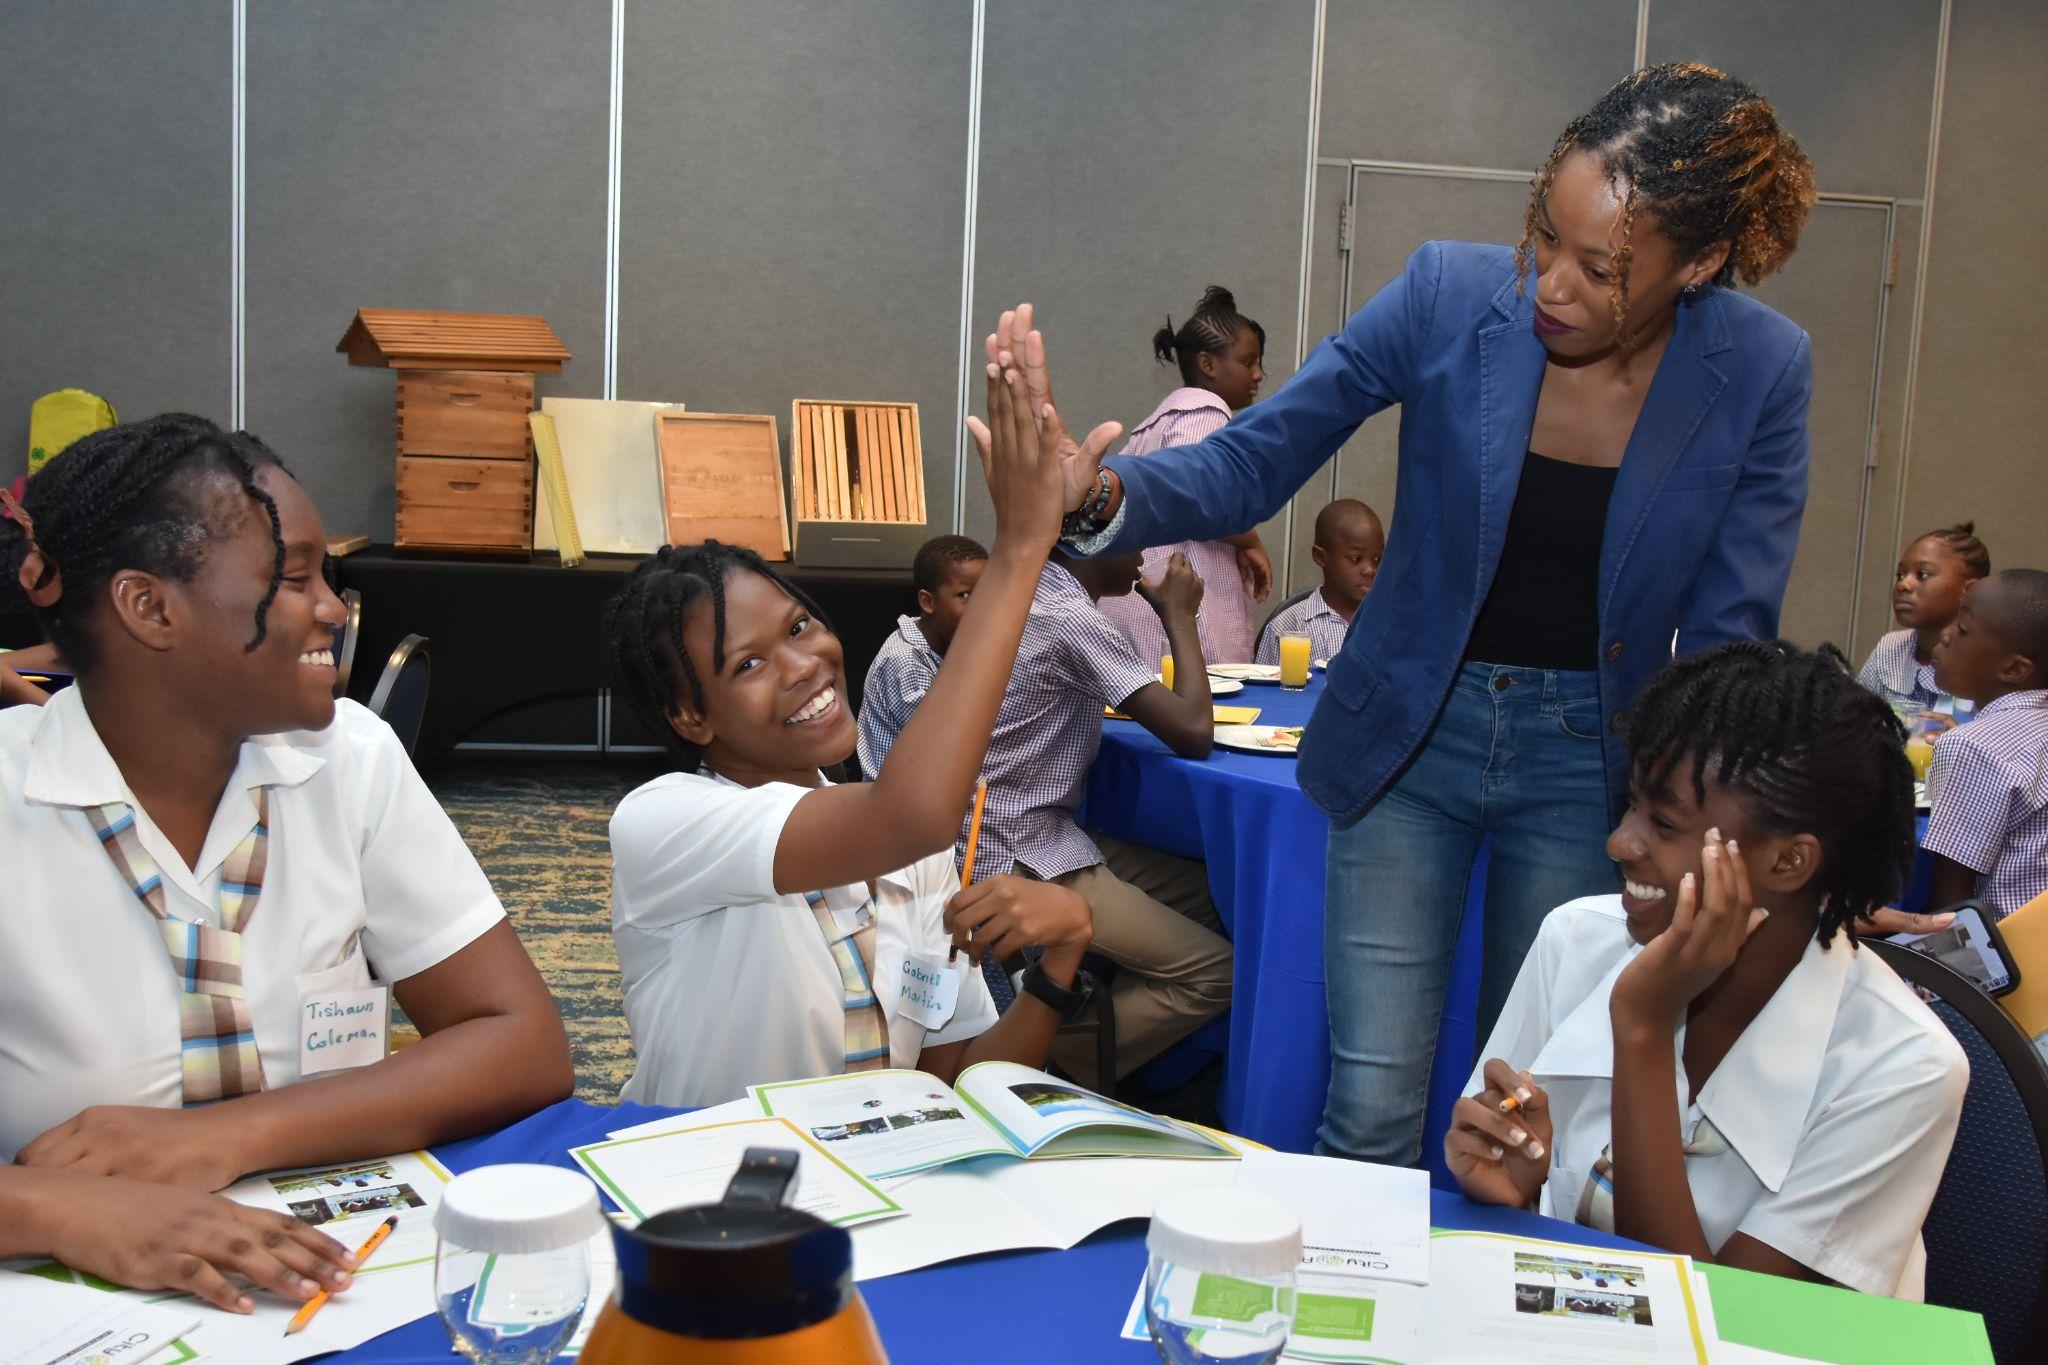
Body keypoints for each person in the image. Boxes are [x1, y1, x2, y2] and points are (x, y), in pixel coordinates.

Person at [998, 63, 1819, 1164]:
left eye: (1601, 268)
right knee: (1372, 1101)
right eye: (1544, 236)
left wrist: (1685, 824)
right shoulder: (1446, 295)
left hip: (1590, 756)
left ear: (1702, 262)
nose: (1552, 286)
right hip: (1406, 735)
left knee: (1520, 1112)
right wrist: (1101, 497)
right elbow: (1258, 456)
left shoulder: (1758, 369)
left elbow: (1729, 630)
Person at [0, 416, 572, 1312]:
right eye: (292, 576)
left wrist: (223, 1137)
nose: (334, 609)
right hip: (65, 1297)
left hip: (330, 1261)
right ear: (149, 608)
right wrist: (53, 1205)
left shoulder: (351, 758)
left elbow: (521, 1042)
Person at [604, 360, 1094, 1108]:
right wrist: (1024, 544)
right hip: (716, 1193)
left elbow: (959, 1079)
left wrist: (1059, 959)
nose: (805, 664)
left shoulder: (916, 860)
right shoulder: (664, 822)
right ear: (689, 715)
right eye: (749, 663)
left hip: (871, 1188)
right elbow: (909, 812)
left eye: (800, 625)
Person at [1448, 642, 1965, 1299]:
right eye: (1631, 805)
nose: (1620, 842)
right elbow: (1512, 1203)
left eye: (1664, 822)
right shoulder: (1577, 938)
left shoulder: (1903, 1064)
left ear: (1788, 863)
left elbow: (1717, 1327)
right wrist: (1507, 1198)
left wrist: (1644, 1030)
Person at [962, 544, 1233, 1080]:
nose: (1147, 551)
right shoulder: (1070, 617)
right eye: (1137, 534)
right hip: (1016, 850)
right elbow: (1194, 730)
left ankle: (1091, 1019)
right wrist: (1181, 617)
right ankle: (1044, 1068)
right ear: (1091, 543)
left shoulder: (1029, 591)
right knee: (1217, 972)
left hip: (1034, 829)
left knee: (1220, 893)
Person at [1098, 287, 1274, 665]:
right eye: (1249, 362)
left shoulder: (1151, 426)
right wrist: (1251, 540)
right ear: (1209, 365)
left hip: (1137, 605)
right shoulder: (1206, 412)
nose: (1259, 374)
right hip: (1175, 612)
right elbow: (1194, 498)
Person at [1921, 568, 2048, 917]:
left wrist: (1932, 973)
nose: (1945, 635)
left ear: (2014, 670)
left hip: (2006, 956)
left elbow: (1952, 901)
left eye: (1962, 630)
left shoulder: (1973, 746)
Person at [857, 533, 988, 778]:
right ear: (928, 602)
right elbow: (946, 747)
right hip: (896, 808)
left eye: (986, 593)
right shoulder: (906, 662)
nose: (981, 606)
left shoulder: (947, 642)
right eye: (965, 595)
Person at [1858, 521, 1989, 726]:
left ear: (1969, 589)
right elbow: (1854, 721)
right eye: (1900, 575)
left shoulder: (1991, 661)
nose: (1903, 584)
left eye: (1923, 575)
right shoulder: (1890, 648)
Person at [1254, 498, 1382, 665]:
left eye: (1378, 559)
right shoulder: (1288, 626)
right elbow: (1264, 688)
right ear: (1320, 556)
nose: (1370, 570)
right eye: (1356, 559)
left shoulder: (1387, 621)